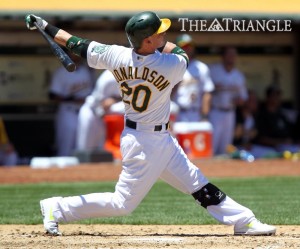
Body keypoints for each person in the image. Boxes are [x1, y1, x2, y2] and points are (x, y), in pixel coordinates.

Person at [25, 12, 276, 236]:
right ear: (147, 40)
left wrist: (44, 24)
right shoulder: (168, 65)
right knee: (121, 204)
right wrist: (162, 44)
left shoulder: (116, 55)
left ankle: (244, 220)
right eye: (158, 33)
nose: (164, 35)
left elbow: (74, 43)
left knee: (197, 183)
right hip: (144, 144)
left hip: (157, 139)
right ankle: (57, 207)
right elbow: (180, 53)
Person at [49, 53, 95, 156]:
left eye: (76, 53)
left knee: (83, 146)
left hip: (85, 111)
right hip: (68, 111)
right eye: (72, 53)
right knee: (65, 146)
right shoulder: (61, 72)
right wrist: (73, 99)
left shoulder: (86, 71)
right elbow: (53, 96)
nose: (75, 55)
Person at [209, 46, 248, 155]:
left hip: (230, 112)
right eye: (229, 54)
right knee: (212, 144)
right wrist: (216, 88)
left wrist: (238, 101)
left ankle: (223, 171)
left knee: (226, 146)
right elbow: (205, 91)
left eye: (233, 55)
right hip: (215, 111)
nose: (231, 57)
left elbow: (243, 98)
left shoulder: (238, 76)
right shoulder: (214, 70)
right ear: (223, 56)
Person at [76, 69, 124, 151]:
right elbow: (103, 104)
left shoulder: (129, 76)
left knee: (101, 151)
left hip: (102, 116)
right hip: (91, 113)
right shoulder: (108, 77)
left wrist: (115, 100)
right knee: (84, 150)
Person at [174, 34, 214, 122]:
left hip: (195, 113)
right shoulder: (171, 66)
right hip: (177, 113)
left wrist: (204, 116)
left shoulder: (201, 67)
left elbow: (207, 92)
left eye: (189, 46)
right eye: (184, 46)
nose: (187, 49)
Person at [232, 89, 278, 158]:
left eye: (255, 100)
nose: (254, 103)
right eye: (251, 100)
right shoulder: (236, 115)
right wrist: (247, 133)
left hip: (250, 148)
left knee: (272, 153)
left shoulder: (255, 116)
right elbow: (236, 135)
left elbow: (256, 135)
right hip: (236, 148)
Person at [255, 84, 300, 153]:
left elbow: (290, 133)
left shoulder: (281, 114)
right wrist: (281, 141)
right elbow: (261, 139)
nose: (277, 98)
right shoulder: (262, 115)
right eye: (274, 95)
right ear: (268, 97)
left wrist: (291, 141)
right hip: (268, 149)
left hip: (286, 147)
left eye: (278, 95)